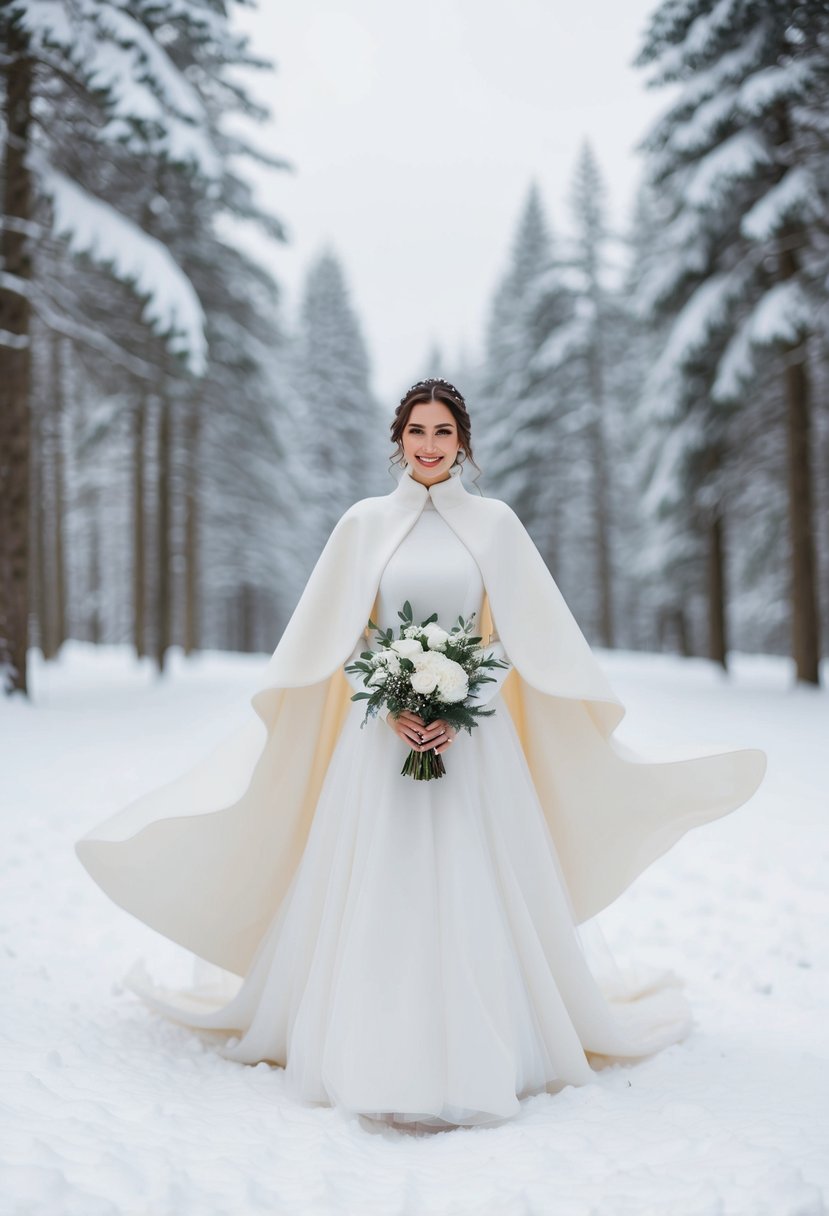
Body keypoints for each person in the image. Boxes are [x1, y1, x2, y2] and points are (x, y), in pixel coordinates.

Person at [74, 378, 767, 1133]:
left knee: (474, 878)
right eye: (416, 432)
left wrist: (464, 695)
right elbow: (345, 636)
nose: (429, 446)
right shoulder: (363, 524)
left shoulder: (496, 525)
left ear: (463, 442)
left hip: (476, 741)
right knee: (383, 876)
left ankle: (482, 1047)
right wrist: (394, 698)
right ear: (397, 440)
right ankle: (370, 1046)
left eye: (443, 433)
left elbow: (512, 639)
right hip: (380, 738)